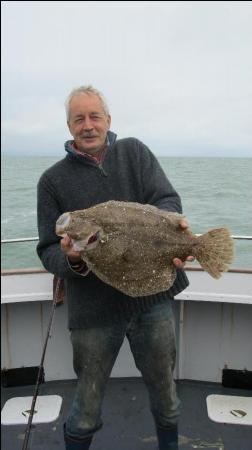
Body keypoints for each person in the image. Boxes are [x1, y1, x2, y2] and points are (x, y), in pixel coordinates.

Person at [37, 85, 191, 450]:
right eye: (79, 119)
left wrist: (169, 229)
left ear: (108, 120)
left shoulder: (134, 152)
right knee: (86, 406)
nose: (88, 126)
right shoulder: (52, 181)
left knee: (165, 395)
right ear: (69, 125)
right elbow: (47, 249)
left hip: (152, 299)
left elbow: (167, 199)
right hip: (93, 311)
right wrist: (71, 259)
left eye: (95, 117)